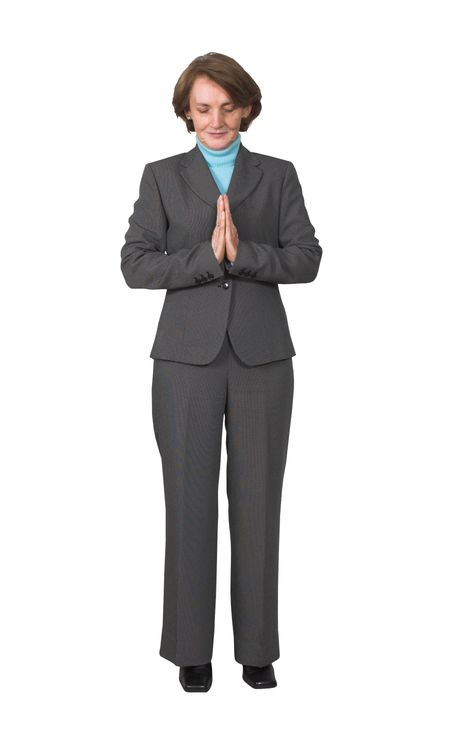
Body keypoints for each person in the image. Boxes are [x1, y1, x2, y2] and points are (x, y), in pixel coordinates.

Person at [120, 52, 323, 692]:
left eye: (228, 107)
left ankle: (257, 650)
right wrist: (206, 258)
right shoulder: (161, 177)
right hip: (185, 361)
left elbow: (307, 257)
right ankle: (191, 650)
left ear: (247, 108)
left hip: (263, 359)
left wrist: (246, 252)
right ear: (186, 111)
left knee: (259, 502)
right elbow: (135, 264)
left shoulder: (278, 174)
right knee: (188, 502)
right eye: (204, 108)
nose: (216, 119)